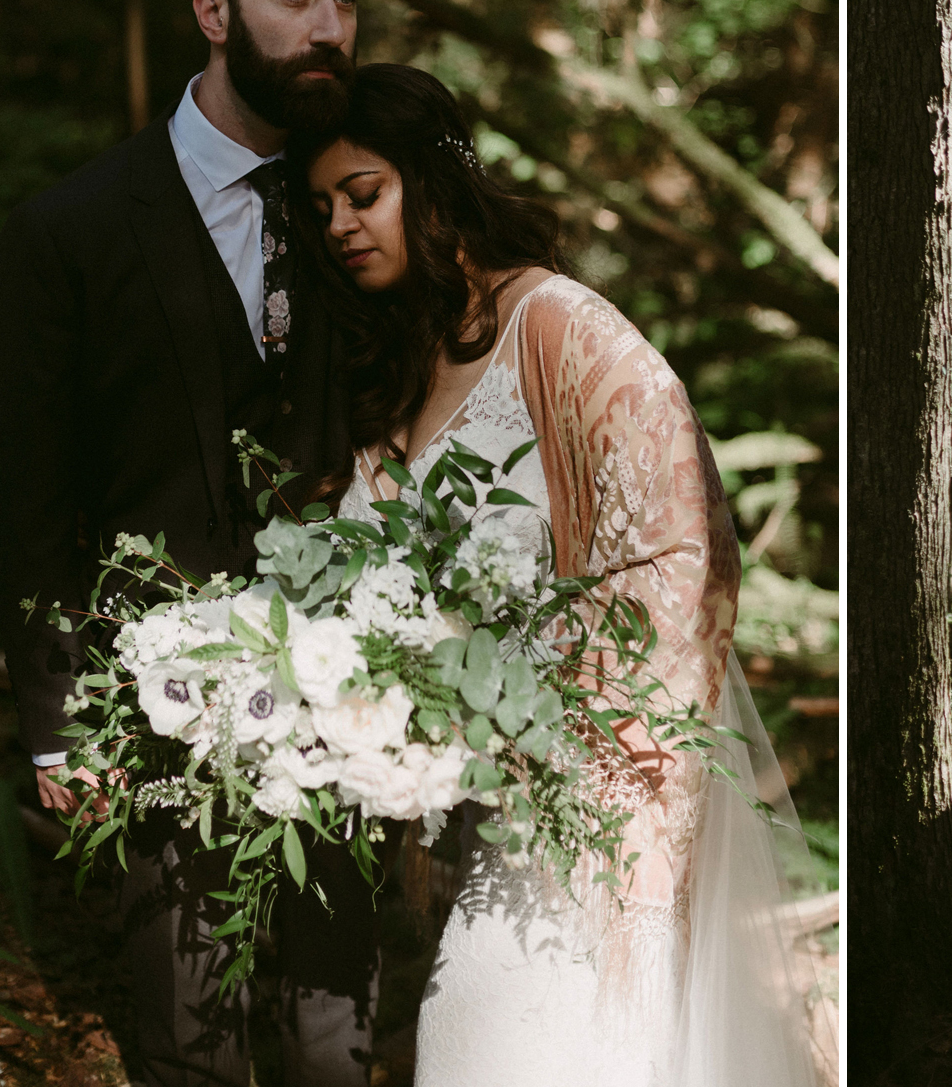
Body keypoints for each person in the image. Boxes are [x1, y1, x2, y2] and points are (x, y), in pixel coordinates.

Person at [298, 63, 819, 1086]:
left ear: (434, 186)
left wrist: (569, 735)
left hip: (589, 797)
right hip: (475, 802)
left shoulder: (558, 326)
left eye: (364, 194)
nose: (340, 226)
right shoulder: (394, 361)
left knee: (489, 1039)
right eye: (320, 208)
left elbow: (675, 541)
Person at [0, 0, 380, 1085]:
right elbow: (32, 504)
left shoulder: (362, 210)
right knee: (189, 1045)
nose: (327, 27)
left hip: (353, 706)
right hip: (153, 720)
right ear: (214, 10)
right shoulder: (73, 231)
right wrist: (56, 729)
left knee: (335, 1039)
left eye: (347, 0)